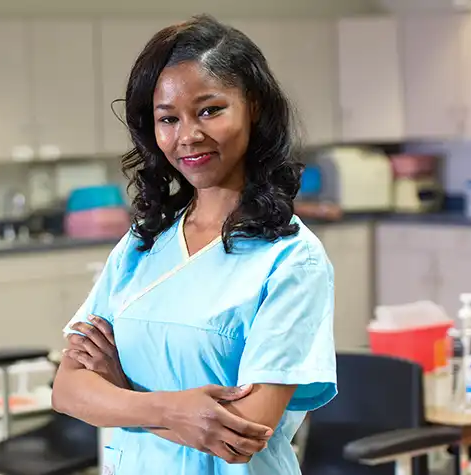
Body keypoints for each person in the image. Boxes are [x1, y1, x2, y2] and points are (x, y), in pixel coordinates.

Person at [52, 14, 337, 474]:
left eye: (210, 110)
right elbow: (67, 390)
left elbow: (242, 435)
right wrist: (170, 411)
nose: (188, 136)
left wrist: (121, 395)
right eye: (168, 118)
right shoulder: (141, 244)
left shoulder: (290, 260)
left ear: (255, 107)